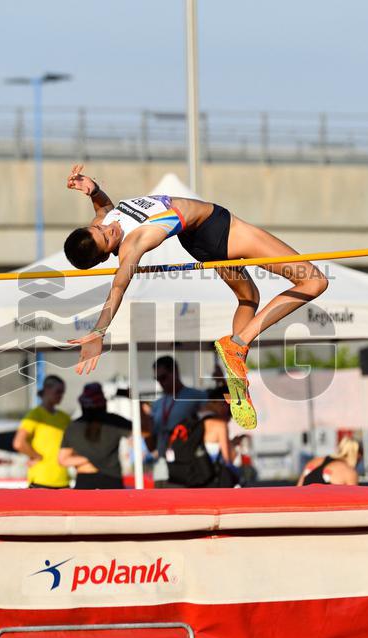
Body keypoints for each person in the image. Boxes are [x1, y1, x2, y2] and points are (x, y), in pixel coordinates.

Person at [62, 164, 329, 431]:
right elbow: (119, 286)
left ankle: (237, 378)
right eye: (107, 240)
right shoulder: (133, 245)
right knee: (314, 281)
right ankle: (238, 345)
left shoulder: (102, 222)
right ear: (105, 254)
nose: (110, 231)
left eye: (101, 230)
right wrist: (99, 331)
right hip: (218, 228)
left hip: (198, 241)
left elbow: (104, 210)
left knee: (248, 297)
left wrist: (94, 191)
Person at [147, 356, 207, 488]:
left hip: (186, 466)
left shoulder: (196, 396)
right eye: (157, 379)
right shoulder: (157, 404)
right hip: (161, 466)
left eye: (163, 377)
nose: (161, 383)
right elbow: (151, 441)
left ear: (175, 372)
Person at [59, 382, 131, 489]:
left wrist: (88, 460)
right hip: (112, 480)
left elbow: (63, 459)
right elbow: (144, 432)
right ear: (103, 404)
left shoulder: (73, 427)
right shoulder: (114, 422)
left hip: (85, 478)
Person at [12, 375, 71, 489]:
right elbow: (19, 443)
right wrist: (36, 456)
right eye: (58, 391)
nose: (61, 396)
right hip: (41, 480)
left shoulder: (64, 417)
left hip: (63, 480)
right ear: (47, 389)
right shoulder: (35, 415)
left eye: (63, 392)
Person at [297, 436, 361, 486]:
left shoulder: (314, 462)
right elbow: (355, 500)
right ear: (358, 455)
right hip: (326, 501)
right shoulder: (348, 472)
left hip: (305, 500)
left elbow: (298, 488)